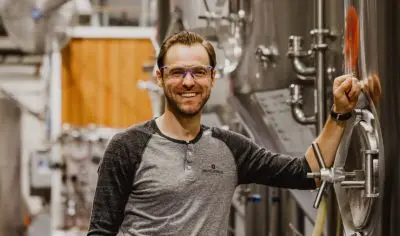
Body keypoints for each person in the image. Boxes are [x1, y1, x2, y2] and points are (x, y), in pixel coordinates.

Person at [87, 31, 363, 236]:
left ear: (212, 77)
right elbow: (101, 231)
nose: (188, 82)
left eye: (198, 72)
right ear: (159, 77)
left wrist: (339, 114)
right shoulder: (127, 147)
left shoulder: (230, 148)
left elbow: (306, 173)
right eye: (177, 72)